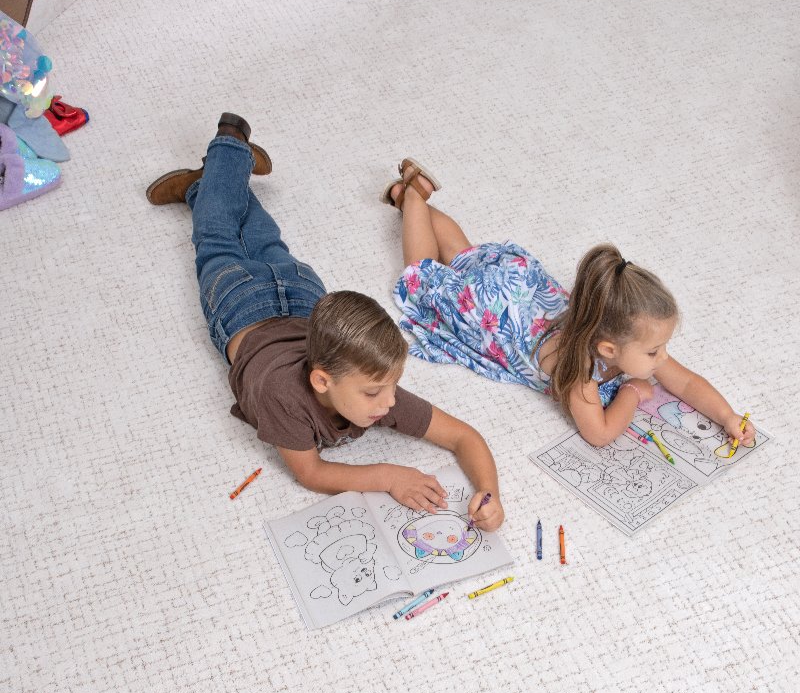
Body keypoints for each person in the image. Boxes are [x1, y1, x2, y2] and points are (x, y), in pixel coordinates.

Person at [145, 115, 504, 530]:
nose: (390, 403)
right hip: (239, 304)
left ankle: (216, 179)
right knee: (216, 238)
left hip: (302, 297)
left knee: (264, 236)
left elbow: (464, 437)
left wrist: (491, 494)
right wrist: (388, 475)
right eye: (375, 392)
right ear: (322, 381)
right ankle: (226, 146)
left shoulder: (368, 379)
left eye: (391, 385)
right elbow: (311, 472)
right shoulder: (283, 396)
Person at [381, 158, 756, 449]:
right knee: (424, 275)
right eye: (656, 351)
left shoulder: (621, 337)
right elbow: (600, 434)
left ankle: (410, 194)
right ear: (609, 348)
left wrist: (726, 415)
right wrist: (630, 392)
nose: (662, 360)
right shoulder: (579, 378)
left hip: (520, 284)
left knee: (464, 255)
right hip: (490, 309)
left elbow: (688, 383)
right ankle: (413, 197)